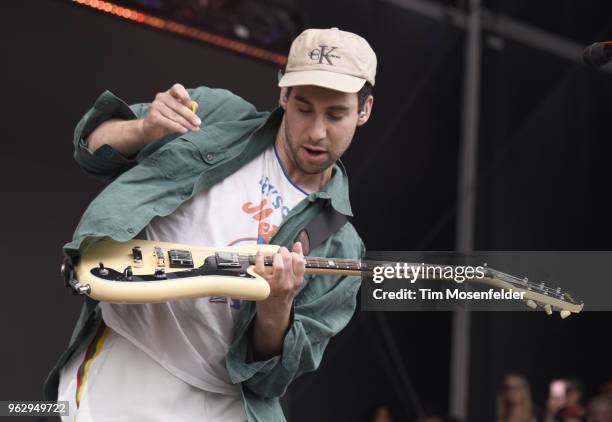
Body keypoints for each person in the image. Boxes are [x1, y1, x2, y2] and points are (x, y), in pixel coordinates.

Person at [43, 27, 376, 421]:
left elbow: (270, 380)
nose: (317, 131)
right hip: (127, 359)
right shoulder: (216, 113)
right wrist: (143, 128)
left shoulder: (340, 244)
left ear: (365, 110)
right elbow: (90, 148)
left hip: (224, 403)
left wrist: (276, 307)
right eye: (304, 108)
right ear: (283, 94)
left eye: (336, 114)